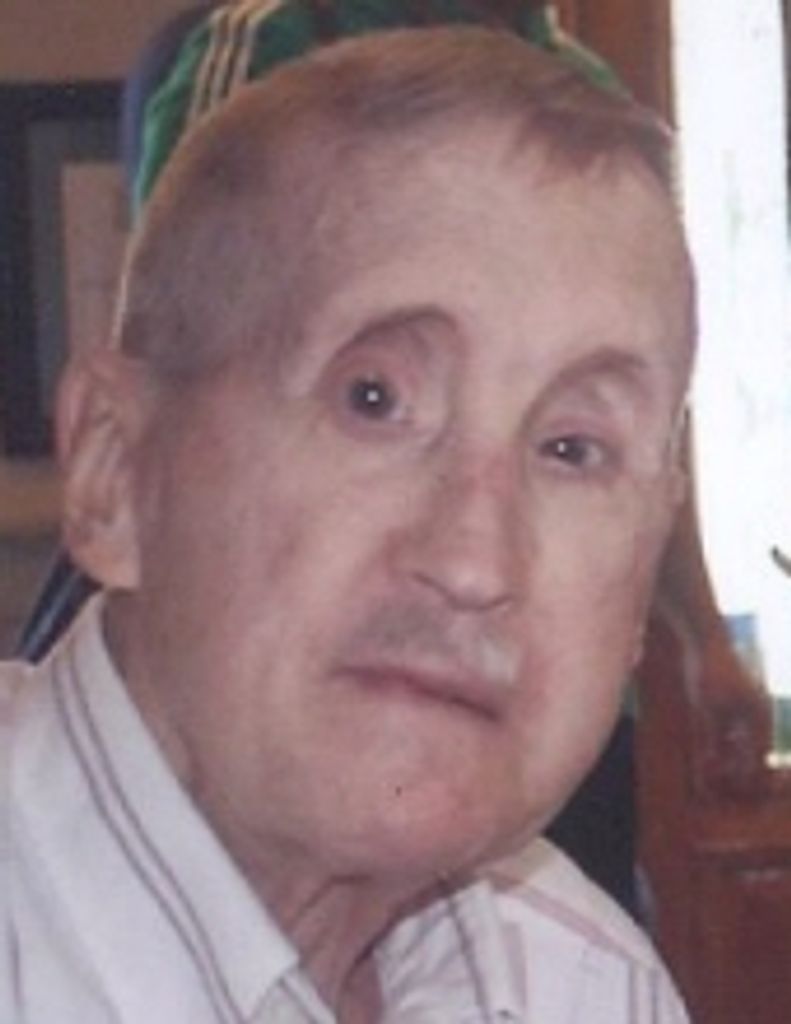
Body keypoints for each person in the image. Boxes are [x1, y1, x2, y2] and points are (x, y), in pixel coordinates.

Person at [1, 21, 694, 1024]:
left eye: (570, 449)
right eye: (374, 399)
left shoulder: (583, 986)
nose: (474, 561)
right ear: (116, 469)